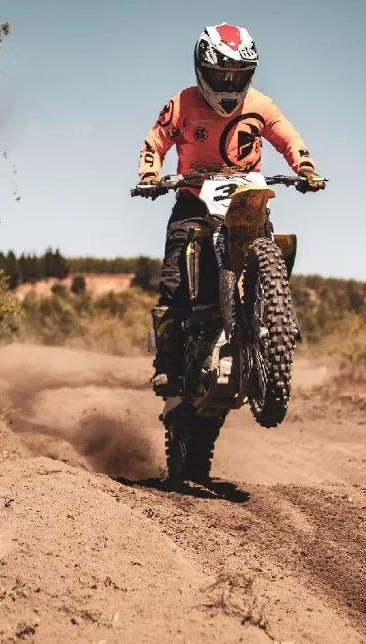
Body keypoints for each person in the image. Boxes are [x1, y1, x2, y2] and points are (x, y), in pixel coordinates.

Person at [137, 23, 325, 395]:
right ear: (201, 69)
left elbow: (286, 134)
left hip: (245, 196)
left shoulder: (261, 105)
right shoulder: (183, 103)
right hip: (194, 198)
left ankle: (273, 322)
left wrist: (304, 166)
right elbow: (155, 141)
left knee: (272, 245)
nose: (227, 83)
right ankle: (168, 365)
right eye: (219, 74)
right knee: (173, 278)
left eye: (237, 76)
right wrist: (148, 175)